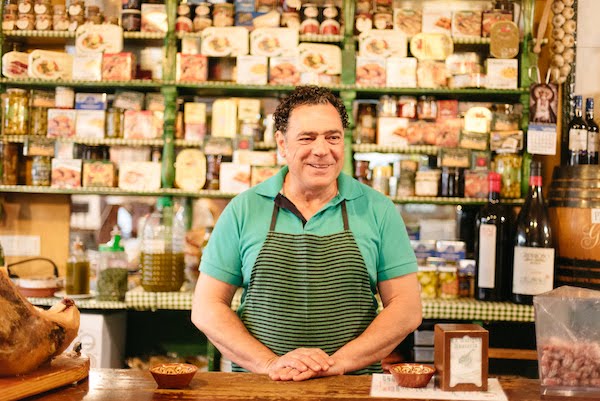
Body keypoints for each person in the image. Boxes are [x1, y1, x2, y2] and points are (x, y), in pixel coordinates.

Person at [191, 86, 422, 381]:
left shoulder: (378, 209)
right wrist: (269, 363)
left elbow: (406, 307)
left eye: (333, 137)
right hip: (261, 387)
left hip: (351, 386)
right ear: (282, 144)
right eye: (307, 138)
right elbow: (207, 306)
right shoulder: (244, 209)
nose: (322, 150)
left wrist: (338, 363)